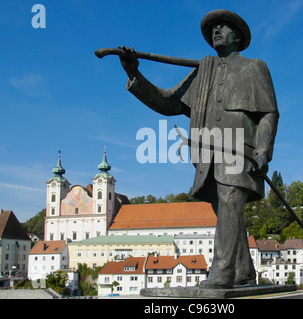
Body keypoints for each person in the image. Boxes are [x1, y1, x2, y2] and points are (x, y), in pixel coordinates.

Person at [118, 9, 279, 289]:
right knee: (227, 211)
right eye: (213, 28)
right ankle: (243, 271)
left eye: (223, 27)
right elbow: (169, 103)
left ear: (238, 36)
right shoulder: (202, 72)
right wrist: (135, 74)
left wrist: (264, 151)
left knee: (229, 202)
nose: (216, 31)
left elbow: (269, 114)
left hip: (241, 152)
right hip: (207, 156)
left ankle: (222, 272)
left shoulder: (255, 67)